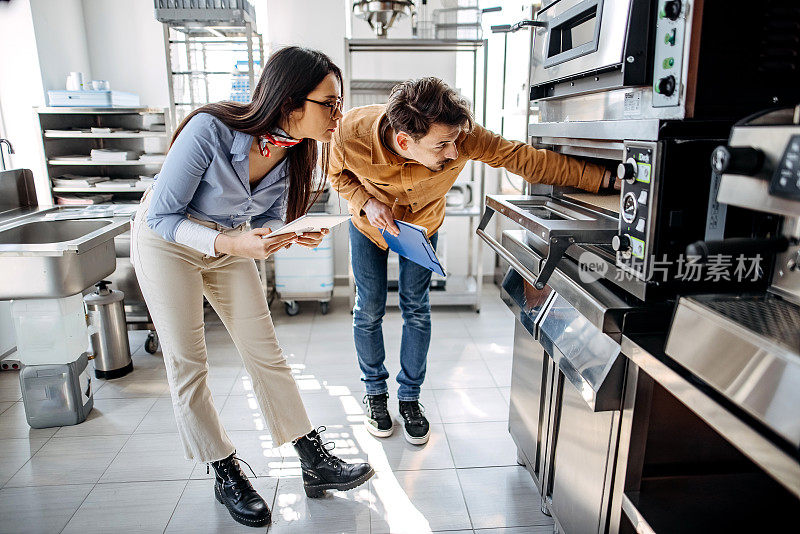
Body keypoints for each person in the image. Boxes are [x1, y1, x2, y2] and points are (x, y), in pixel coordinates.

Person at [131, 47, 373, 528]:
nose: (338, 114)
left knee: (266, 352)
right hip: (167, 242)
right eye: (330, 103)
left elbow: (261, 222)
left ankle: (313, 460)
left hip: (228, 246)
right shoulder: (210, 130)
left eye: (339, 102)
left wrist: (282, 234)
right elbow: (162, 216)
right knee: (189, 362)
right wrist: (230, 242)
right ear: (290, 103)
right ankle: (225, 471)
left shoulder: (295, 153)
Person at [330, 77, 618, 445]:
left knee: (415, 307)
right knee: (368, 308)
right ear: (404, 142)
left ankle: (409, 398)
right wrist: (365, 202)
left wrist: (606, 178)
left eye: (455, 142)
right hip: (369, 227)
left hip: (420, 227)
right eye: (442, 146)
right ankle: (374, 393)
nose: (454, 154)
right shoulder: (348, 133)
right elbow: (335, 174)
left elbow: (525, 160)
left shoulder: (462, 137)